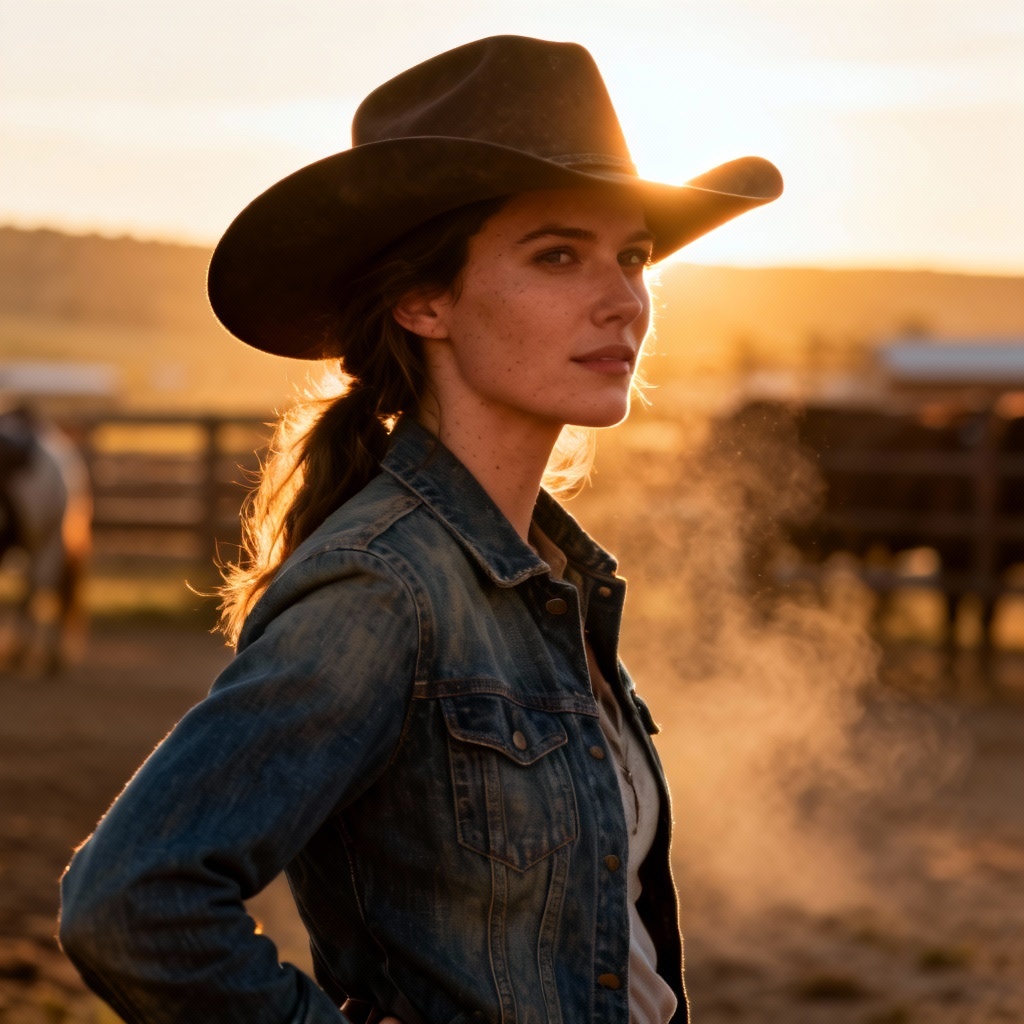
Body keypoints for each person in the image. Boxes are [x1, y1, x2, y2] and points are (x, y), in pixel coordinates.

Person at [59, 34, 781, 1024]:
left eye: (634, 258)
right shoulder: (385, 587)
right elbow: (130, 900)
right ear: (422, 301)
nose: (621, 301)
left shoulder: (549, 580)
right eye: (558, 255)